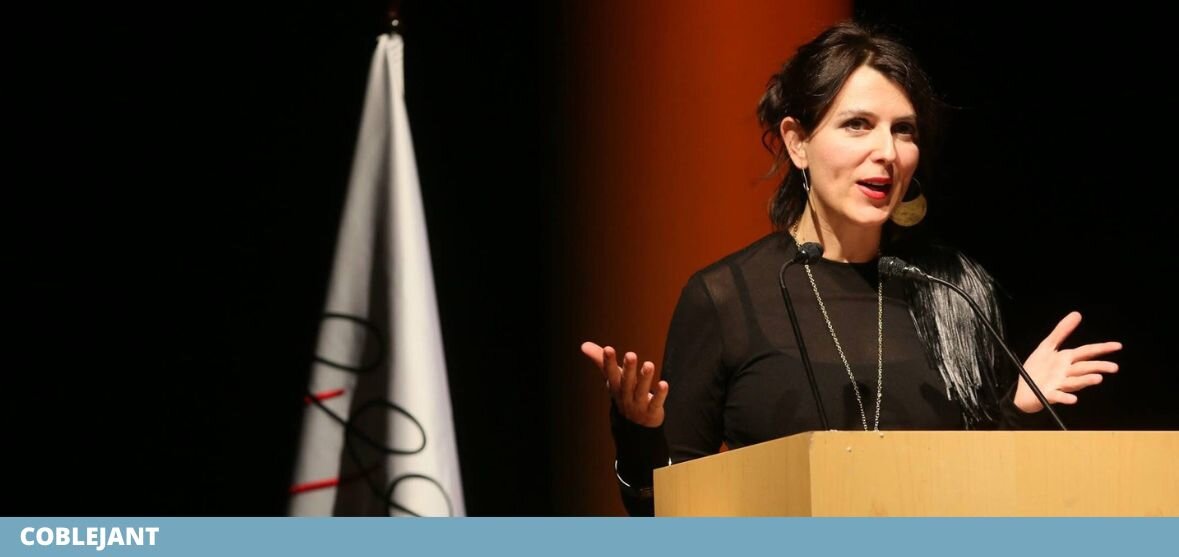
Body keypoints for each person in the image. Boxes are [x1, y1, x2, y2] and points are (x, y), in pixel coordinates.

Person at [579, 21, 1122, 517]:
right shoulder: (726, 297)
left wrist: (1019, 408)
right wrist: (639, 435)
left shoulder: (952, 289)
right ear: (797, 142)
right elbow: (663, 513)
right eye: (858, 125)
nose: (887, 151)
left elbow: (984, 495)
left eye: (904, 130)